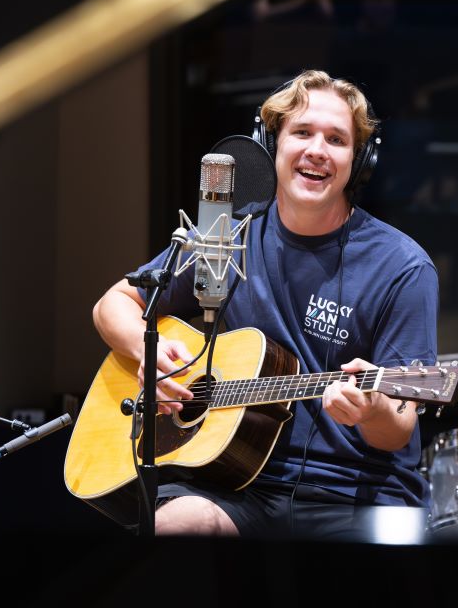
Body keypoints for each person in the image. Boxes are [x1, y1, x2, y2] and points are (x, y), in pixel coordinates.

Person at [92, 69, 439, 538]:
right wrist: (149, 352)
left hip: (358, 493)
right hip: (236, 483)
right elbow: (112, 303)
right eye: (302, 133)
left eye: (336, 140)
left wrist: (371, 408)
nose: (317, 150)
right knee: (175, 527)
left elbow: (397, 428)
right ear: (271, 143)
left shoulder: (402, 267)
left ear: (359, 162)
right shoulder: (225, 238)